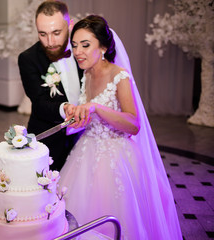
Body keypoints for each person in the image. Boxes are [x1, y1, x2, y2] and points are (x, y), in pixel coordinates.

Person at [59, 15, 183, 239]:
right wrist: (77, 117)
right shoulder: (86, 74)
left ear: (103, 47)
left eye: (86, 45)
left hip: (116, 158)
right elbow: (90, 118)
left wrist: (96, 107)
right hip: (86, 153)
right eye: (75, 45)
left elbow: (133, 124)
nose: (78, 52)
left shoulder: (119, 76)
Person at [18, 0, 83, 171]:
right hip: (49, 140)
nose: (50, 41)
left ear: (70, 24)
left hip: (86, 137)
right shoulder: (28, 59)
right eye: (42, 34)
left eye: (56, 32)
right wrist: (65, 108)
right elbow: (39, 103)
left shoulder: (84, 50)